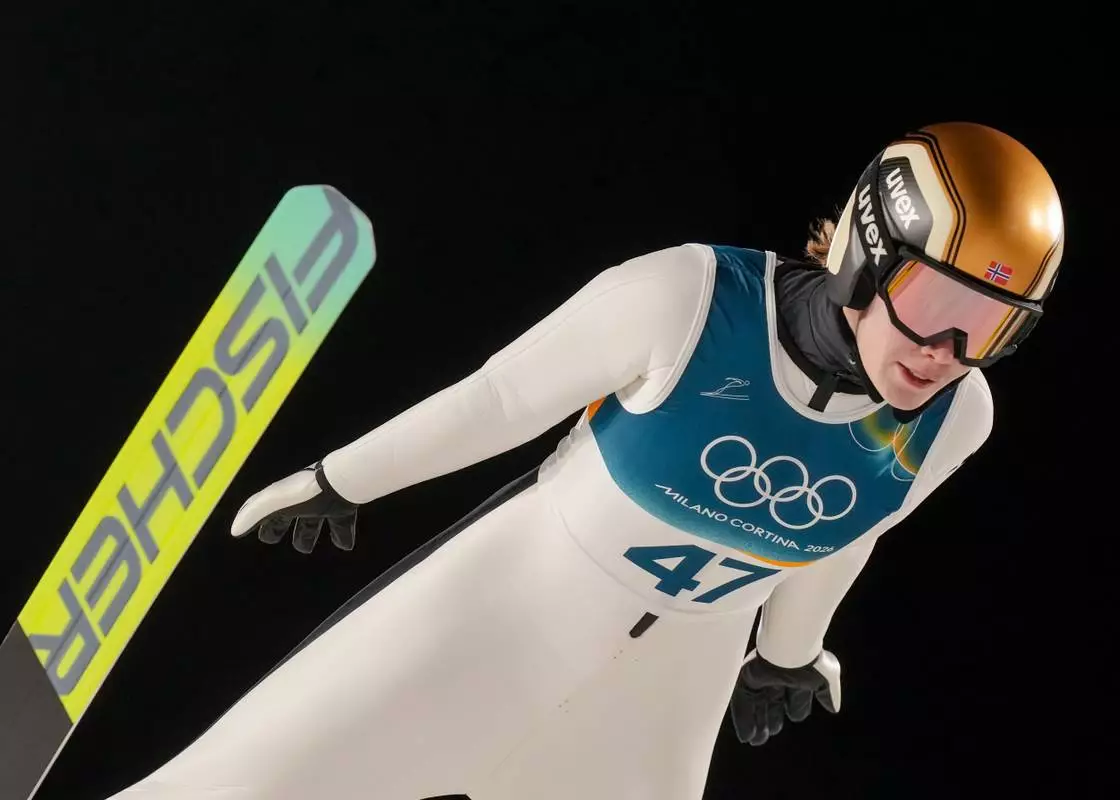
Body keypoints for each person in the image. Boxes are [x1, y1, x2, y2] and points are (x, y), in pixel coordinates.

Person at [107, 120, 1065, 799]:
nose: (945, 353)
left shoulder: (955, 418)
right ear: (865, 250)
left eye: (991, 329)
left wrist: (787, 654)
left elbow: (852, 528)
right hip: (511, 605)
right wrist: (340, 479)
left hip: (669, 684)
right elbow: (499, 399)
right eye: (937, 307)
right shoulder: (690, 299)